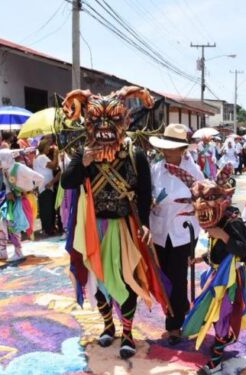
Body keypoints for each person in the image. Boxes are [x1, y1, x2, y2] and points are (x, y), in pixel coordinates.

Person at [60, 86, 169, 359]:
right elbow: (66, 182)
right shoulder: (83, 152)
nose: (105, 127)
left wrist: (144, 223)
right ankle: (108, 326)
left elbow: (144, 192)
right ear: (88, 122)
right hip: (93, 228)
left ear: (125, 121)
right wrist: (83, 162)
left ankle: (129, 333)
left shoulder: (135, 154)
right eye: (98, 120)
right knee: (97, 280)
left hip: (123, 227)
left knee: (126, 278)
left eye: (112, 119)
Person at [181, 178, 246, 375]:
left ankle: (216, 362)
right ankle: (221, 342)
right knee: (213, 315)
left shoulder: (233, 222)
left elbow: (243, 251)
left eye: (209, 198)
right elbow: (218, 251)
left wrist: (224, 235)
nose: (201, 204)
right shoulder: (215, 219)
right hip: (215, 275)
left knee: (220, 316)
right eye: (197, 199)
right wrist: (201, 258)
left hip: (229, 281)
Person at [148, 123, 204, 345]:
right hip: (160, 230)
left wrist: (193, 202)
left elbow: (203, 196)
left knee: (178, 277)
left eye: (172, 148)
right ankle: (172, 313)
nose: (167, 151)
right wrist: (151, 201)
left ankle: (174, 324)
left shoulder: (194, 170)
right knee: (164, 278)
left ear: (182, 150)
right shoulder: (155, 169)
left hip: (184, 231)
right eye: (165, 147)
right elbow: (149, 192)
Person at [0, 149, 43, 261]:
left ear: (5, 159)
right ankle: (3, 252)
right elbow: (7, 184)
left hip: (25, 200)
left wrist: (31, 190)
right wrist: (8, 192)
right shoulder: (5, 170)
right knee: (1, 220)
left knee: (13, 224)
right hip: (14, 199)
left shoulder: (20, 168)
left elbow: (40, 178)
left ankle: (18, 252)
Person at [34, 140, 60, 237]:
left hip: (43, 187)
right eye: (48, 146)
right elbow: (54, 166)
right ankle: (49, 230)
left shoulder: (38, 158)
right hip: (46, 187)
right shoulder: (42, 157)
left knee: (46, 209)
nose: (49, 148)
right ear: (44, 147)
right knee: (48, 210)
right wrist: (56, 154)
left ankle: (48, 229)